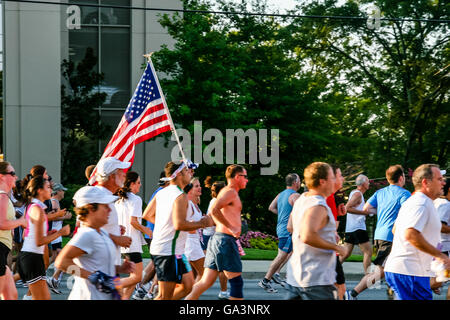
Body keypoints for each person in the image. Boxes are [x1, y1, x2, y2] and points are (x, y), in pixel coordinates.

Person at [143, 160, 213, 300]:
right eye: (187, 171)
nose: (190, 174)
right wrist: (202, 223)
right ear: (179, 174)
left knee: (188, 286)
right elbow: (179, 225)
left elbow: (147, 215)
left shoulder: (162, 192)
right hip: (168, 251)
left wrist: (165, 223)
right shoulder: (180, 196)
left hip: (177, 252)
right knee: (164, 296)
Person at [55, 186, 135, 300]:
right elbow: (61, 262)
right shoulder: (86, 235)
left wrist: (120, 268)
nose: (110, 210)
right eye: (105, 206)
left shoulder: (102, 233)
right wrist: (92, 277)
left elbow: (98, 265)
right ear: (91, 208)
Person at [384, 164, 450, 300]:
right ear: (426, 182)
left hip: (413, 272)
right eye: (439, 179)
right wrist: (440, 255)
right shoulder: (421, 203)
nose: (443, 182)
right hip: (409, 272)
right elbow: (410, 234)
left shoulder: (419, 201)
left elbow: (396, 229)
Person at [345, 164, 411, 300]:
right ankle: (351, 294)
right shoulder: (404, 194)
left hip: (379, 234)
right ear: (401, 178)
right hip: (392, 236)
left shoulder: (380, 192)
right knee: (380, 270)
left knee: (393, 267)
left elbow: (367, 208)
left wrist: (382, 212)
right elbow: (408, 213)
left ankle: (394, 294)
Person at [185, 164, 249, 300]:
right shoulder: (229, 192)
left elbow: (214, 213)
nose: (247, 180)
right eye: (245, 176)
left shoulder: (229, 192)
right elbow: (214, 210)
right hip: (225, 240)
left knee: (205, 282)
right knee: (237, 283)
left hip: (218, 240)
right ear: (237, 177)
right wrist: (231, 227)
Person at [285, 162, 346, 300]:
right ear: (322, 181)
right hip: (315, 279)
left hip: (297, 275)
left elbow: (291, 226)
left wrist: (326, 234)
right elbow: (307, 235)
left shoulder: (303, 198)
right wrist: (336, 247)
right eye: (333, 177)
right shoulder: (318, 205)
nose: (337, 180)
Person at [16, 176, 70, 300]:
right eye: (48, 187)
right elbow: (39, 241)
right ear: (40, 190)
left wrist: (50, 233)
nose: (51, 190)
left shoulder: (34, 207)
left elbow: (30, 234)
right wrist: (60, 232)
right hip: (32, 257)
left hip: (32, 256)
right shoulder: (37, 209)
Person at [258, 173, 301, 293]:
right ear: (295, 182)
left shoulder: (281, 194)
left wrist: (282, 215)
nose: (300, 183)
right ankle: (265, 280)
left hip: (281, 228)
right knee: (282, 255)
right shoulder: (295, 196)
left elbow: (271, 207)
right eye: (299, 181)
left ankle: (276, 273)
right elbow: (301, 213)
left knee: (292, 251)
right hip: (288, 230)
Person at [115, 171, 152, 300]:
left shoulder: (119, 200)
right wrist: (146, 230)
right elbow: (133, 221)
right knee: (137, 277)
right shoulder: (136, 199)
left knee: (133, 278)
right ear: (131, 184)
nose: (140, 185)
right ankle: (108, 285)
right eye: (138, 182)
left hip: (123, 243)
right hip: (132, 243)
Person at [94, 157, 132, 266]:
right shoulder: (98, 196)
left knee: (116, 283)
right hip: (99, 269)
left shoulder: (106, 196)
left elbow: (99, 228)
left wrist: (115, 229)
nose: (125, 175)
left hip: (110, 267)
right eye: (121, 172)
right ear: (111, 176)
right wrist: (117, 238)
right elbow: (88, 230)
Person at [0, 161, 27, 300]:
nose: (16, 177)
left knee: (11, 295)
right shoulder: (2, 196)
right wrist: (21, 221)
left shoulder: (5, 196)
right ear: (1, 177)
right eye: (12, 173)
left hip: (3, 251)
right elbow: (2, 223)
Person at [340, 174, 373, 274]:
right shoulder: (357, 194)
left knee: (346, 254)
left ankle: (330, 270)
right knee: (368, 252)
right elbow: (347, 208)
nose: (369, 183)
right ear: (363, 184)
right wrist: (365, 213)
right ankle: (368, 277)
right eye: (367, 181)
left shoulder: (355, 193)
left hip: (351, 228)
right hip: (358, 228)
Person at [203, 177, 229, 300]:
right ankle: (223, 292)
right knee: (221, 267)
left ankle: (188, 288)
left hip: (208, 236)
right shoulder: (217, 202)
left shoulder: (214, 201)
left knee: (206, 267)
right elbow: (213, 220)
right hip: (213, 236)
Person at [325, 164, 347, 300]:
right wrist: (336, 246)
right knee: (339, 288)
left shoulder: (332, 198)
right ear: (331, 178)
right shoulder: (325, 199)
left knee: (338, 287)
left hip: (328, 252)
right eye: (340, 175)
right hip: (326, 254)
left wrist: (338, 215)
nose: (343, 179)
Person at [46, 183, 72, 294]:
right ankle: (46, 277)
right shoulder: (54, 202)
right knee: (58, 256)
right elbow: (52, 218)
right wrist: (64, 217)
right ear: (57, 191)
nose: (64, 192)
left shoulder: (56, 202)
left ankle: (51, 279)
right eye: (62, 190)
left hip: (57, 234)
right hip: (55, 233)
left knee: (56, 257)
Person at [184, 178, 206, 283]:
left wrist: (203, 223)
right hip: (191, 243)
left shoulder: (195, 205)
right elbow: (186, 225)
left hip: (194, 242)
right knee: (203, 274)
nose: (200, 187)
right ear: (190, 190)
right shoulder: (189, 205)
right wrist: (200, 224)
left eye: (200, 185)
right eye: (196, 186)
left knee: (192, 277)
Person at [433, 177, 450, 299]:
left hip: (439, 246)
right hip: (444, 247)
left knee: (444, 278)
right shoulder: (445, 205)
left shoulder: (437, 202)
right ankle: (409, 290)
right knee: (442, 278)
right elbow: (440, 226)